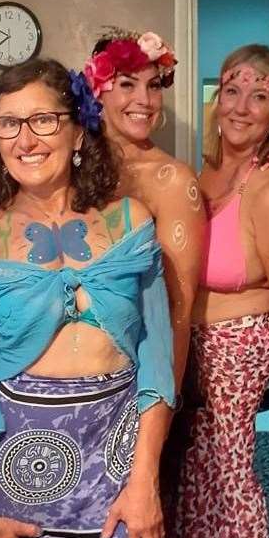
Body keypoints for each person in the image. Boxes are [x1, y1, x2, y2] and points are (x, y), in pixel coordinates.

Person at [0, 58, 177, 538]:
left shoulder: (131, 222)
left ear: (76, 129)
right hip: (20, 479)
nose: (25, 138)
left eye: (43, 119)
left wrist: (146, 480)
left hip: (119, 469)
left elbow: (157, 362)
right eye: (9, 123)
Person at [171, 44, 269, 538]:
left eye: (260, 97)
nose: (242, 107)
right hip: (193, 348)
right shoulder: (204, 175)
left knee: (227, 480)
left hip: (235, 348)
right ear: (217, 99)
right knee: (193, 476)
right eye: (233, 92)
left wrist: (263, 360)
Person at [85, 27, 206, 391]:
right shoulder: (68, 165)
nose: (145, 99)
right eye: (127, 84)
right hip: (72, 371)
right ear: (97, 88)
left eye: (154, 86)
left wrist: (163, 405)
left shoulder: (171, 180)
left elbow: (179, 310)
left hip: (137, 374)